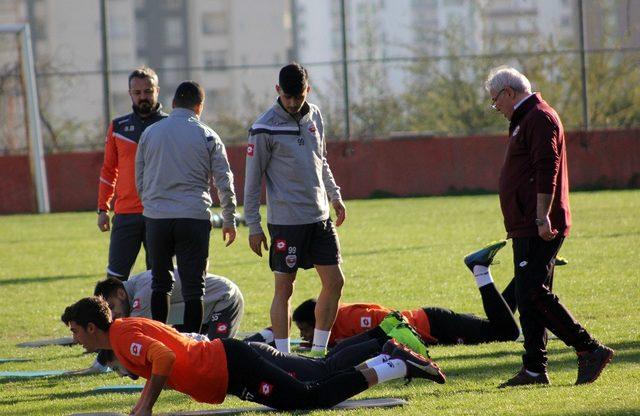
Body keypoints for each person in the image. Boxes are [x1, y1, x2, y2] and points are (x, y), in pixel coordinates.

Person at [62, 297, 445, 414]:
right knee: (318, 372)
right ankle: (387, 351)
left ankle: (393, 364)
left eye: (76, 331)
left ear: (91, 327)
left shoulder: (123, 333)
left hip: (230, 366)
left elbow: (163, 359)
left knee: (308, 396)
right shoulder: (122, 333)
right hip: (228, 363)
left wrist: (145, 405)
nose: (76, 339)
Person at [485, 66, 613, 387]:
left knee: (532, 291)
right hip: (525, 223)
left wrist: (542, 215)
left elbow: (548, 167)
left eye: (495, 100)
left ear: (509, 93)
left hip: (538, 223)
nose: (495, 107)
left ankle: (589, 349)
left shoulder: (539, 117)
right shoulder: (524, 119)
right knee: (530, 297)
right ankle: (534, 369)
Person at [244, 63, 347, 355]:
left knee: (335, 282)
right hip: (286, 224)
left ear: (307, 91)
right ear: (278, 91)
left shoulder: (315, 116)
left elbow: (321, 160)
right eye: (287, 97)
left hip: (320, 218)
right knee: (284, 290)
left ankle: (318, 352)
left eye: (298, 97)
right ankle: (283, 355)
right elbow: (252, 182)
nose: (292, 103)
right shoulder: (263, 127)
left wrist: (335, 196)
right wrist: (253, 226)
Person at [264, 241, 520, 356]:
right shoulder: (334, 327)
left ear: (319, 315)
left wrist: (343, 347)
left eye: (306, 330)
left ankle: (480, 269)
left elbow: (390, 323)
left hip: (432, 323)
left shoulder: (351, 317)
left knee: (505, 332)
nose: (306, 336)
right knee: (498, 324)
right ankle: (529, 275)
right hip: (432, 325)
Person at [135, 81, 237, 333]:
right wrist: (229, 217)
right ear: (199, 106)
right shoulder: (207, 134)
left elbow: (140, 176)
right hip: (193, 217)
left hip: (157, 218)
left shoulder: (150, 133)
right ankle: (191, 345)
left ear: (172, 104)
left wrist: (151, 205)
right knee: (194, 287)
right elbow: (224, 180)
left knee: (160, 283)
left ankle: (159, 339)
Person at [97, 67, 167, 280]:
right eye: (137, 93)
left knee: (160, 280)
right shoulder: (118, 127)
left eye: (148, 91)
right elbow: (109, 170)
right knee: (115, 280)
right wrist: (102, 208)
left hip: (161, 212)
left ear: (157, 90)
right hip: (126, 213)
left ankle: (155, 316)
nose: (143, 97)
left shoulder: (170, 125)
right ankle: (112, 315)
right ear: (130, 94)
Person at [94, 268, 244, 339]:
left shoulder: (144, 292)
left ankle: (262, 341)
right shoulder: (135, 288)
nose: (112, 315)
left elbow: (132, 332)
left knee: (220, 352)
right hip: (200, 310)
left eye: (112, 307)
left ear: (121, 294)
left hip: (225, 298)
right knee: (185, 350)